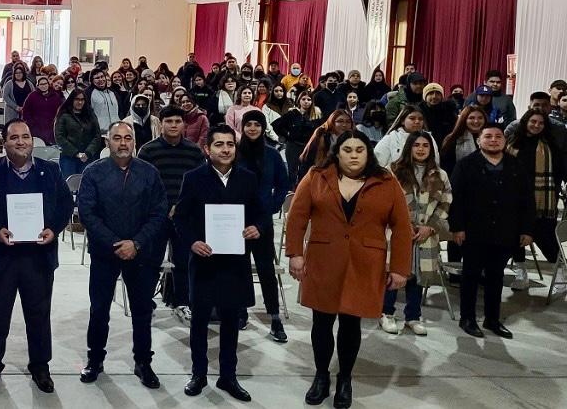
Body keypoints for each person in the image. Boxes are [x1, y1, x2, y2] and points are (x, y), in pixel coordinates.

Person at [286, 130, 412, 408]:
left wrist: (401, 268)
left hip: (365, 263)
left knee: (351, 322)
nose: (353, 155)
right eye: (347, 150)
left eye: (359, 149)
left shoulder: (386, 181)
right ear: (337, 152)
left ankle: (345, 379)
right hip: (323, 259)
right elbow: (296, 217)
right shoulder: (317, 176)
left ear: (368, 153)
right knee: (321, 322)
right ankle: (321, 376)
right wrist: (295, 253)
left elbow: (403, 228)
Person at [0, 119, 73, 393]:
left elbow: (64, 205)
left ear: (32, 140)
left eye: (26, 136)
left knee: (38, 314)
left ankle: (40, 366)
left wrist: (54, 229)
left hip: (38, 256)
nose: (21, 141)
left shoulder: (50, 171)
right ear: (4, 143)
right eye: (14, 137)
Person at [171, 125, 265, 401]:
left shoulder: (247, 179)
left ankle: (228, 376)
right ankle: (198, 373)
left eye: (230, 145)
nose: (225, 149)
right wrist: (192, 242)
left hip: (234, 261)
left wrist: (256, 227)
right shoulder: (194, 178)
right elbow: (180, 218)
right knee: (199, 320)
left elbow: (260, 213)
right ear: (207, 149)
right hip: (204, 260)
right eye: (219, 145)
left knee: (230, 319)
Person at [76, 121, 169, 388]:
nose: (123, 143)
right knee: (99, 310)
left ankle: (143, 362)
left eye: (128, 138)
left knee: (141, 311)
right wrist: (116, 243)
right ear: (108, 142)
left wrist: (136, 243)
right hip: (105, 254)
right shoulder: (93, 172)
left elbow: (158, 212)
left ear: (135, 141)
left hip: (142, 253)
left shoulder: (149, 173)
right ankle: (95, 360)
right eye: (117, 138)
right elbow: (88, 214)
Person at [449, 123, 533, 339]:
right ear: (479, 140)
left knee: (496, 277)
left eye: (498, 136)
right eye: (488, 136)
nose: (493, 140)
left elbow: (526, 200)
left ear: (504, 141)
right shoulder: (466, 165)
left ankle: (492, 319)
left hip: (506, 231)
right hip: (474, 231)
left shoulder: (516, 165)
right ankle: (467, 318)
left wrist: (526, 229)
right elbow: (455, 199)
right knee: (471, 276)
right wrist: (457, 228)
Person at [138, 106, 206, 322]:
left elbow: (199, 185)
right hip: (156, 216)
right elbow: (143, 185)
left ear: (184, 124)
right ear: (161, 124)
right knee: (151, 261)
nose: (174, 125)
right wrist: (161, 208)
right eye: (169, 121)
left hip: (184, 217)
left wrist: (182, 206)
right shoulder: (148, 151)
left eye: (178, 121)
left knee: (183, 261)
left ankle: (182, 302)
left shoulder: (194, 152)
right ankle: (146, 302)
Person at [381, 132, 452, 336]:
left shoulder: (440, 175)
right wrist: (403, 224)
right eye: (417, 145)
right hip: (397, 231)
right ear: (409, 147)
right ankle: (386, 312)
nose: (421, 149)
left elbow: (446, 202)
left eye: (425, 146)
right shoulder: (393, 170)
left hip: (426, 233)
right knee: (394, 271)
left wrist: (430, 226)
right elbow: (384, 201)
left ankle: (413, 315)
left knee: (418, 276)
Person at [236, 110, 289, 341]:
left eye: (257, 124)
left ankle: (274, 317)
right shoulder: (235, 153)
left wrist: (272, 208)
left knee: (266, 269)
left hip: (263, 220)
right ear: (243, 127)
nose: (253, 128)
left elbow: (282, 184)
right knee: (239, 268)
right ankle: (241, 311)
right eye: (248, 124)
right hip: (238, 220)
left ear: (263, 127)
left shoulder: (272, 155)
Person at [504, 110, 564, 290]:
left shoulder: (550, 145)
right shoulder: (513, 142)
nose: (536, 126)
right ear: (525, 121)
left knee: (546, 236)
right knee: (515, 235)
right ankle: (521, 273)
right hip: (515, 196)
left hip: (542, 198)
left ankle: (561, 272)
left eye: (540, 123)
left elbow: (559, 170)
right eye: (533, 122)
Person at [54, 88, 103, 178]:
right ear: (71, 100)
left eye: (82, 100)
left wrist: (87, 153)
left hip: (87, 157)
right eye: (77, 99)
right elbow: (59, 137)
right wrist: (76, 153)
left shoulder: (90, 115)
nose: (80, 102)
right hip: (69, 158)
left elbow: (97, 136)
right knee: (69, 186)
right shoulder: (63, 115)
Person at [296, 109, 354, 183]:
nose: (344, 125)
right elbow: (307, 161)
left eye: (348, 122)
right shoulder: (321, 136)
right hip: (319, 178)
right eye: (340, 121)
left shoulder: (354, 139)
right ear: (332, 122)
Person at [441, 105, 486, 174]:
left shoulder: (491, 138)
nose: (476, 121)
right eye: (471, 118)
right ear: (464, 119)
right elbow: (446, 166)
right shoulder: (452, 139)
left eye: (480, 118)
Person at [21, 76, 64, 145]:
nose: (43, 86)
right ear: (37, 86)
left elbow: (60, 111)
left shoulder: (55, 96)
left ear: (48, 84)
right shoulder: (32, 96)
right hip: (36, 128)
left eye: (45, 84)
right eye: (41, 84)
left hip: (51, 129)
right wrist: (31, 123)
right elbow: (26, 111)